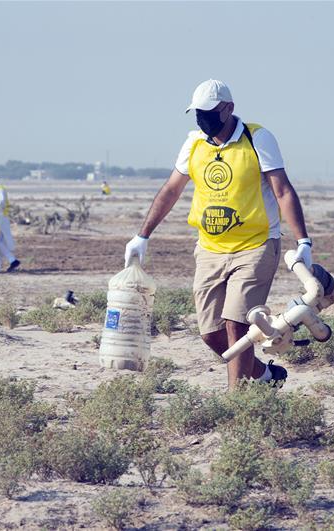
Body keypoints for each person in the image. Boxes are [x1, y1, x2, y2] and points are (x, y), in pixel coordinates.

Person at [124, 79, 314, 390]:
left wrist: (302, 241)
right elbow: (171, 190)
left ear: (229, 109)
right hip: (209, 249)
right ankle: (263, 376)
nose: (203, 119)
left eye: (209, 112)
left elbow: (282, 190)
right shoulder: (195, 143)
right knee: (211, 333)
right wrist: (142, 235)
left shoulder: (257, 138)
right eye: (197, 113)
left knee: (237, 326)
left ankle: (236, 403)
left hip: (255, 246)